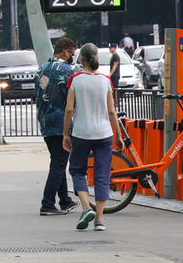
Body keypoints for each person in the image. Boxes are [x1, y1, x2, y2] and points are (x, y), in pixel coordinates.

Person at [64, 43, 124, 232]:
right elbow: (112, 112)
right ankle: (99, 219)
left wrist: (66, 133)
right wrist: (119, 136)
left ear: (81, 60)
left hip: (81, 133)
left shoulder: (75, 80)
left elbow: (69, 109)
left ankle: (84, 207)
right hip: (104, 134)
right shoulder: (106, 80)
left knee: (77, 170)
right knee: (102, 174)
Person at [34, 38, 80, 216]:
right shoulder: (69, 71)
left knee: (57, 161)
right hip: (62, 123)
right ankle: (47, 203)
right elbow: (72, 100)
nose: (72, 58)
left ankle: (65, 200)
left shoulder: (41, 68)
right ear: (66, 52)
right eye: (72, 54)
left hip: (45, 121)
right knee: (59, 163)